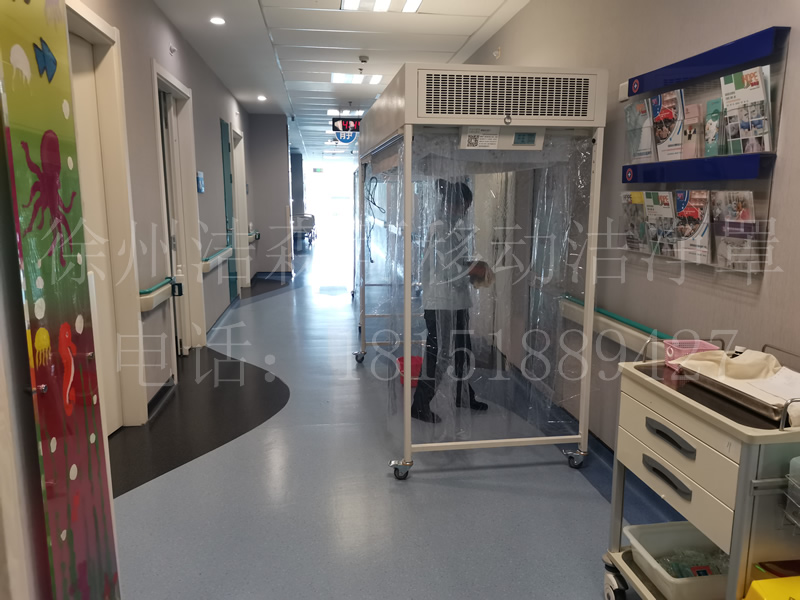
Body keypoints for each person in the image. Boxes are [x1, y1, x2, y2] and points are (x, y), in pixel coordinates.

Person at [411, 179, 491, 423]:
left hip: (456, 303)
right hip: (441, 303)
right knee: (439, 354)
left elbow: (454, 264)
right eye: (464, 207)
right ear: (453, 204)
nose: (465, 212)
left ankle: (462, 394)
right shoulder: (440, 229)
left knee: (461, 352)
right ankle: (420, 405)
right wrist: (474, 269)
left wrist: (470, 267)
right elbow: (447, 270)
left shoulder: (451, 229)